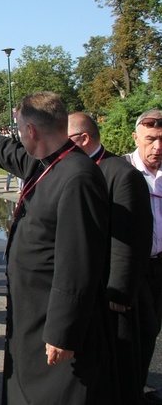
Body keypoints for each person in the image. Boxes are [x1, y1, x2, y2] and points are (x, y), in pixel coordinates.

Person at [0, 93, 114, 403]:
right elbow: (5, 152)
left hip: (53, 324)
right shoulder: (45, 162)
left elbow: (77, 263)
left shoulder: (77, 176)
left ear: (32, 131)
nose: (19, 135)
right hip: (32, 312)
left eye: (20, 128)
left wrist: (63, 331)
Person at [68, 112, 153, 403]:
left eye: (66, 140)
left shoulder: (119, 172)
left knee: (125, 353)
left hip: (116, 287)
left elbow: (131, 239)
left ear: (83, 139)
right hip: (93, 283)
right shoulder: (80, 168)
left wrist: (120, 288)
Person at [126, 110, 162, 403]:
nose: (157, 147)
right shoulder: (120, 169)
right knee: (133, 333)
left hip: (160, 264)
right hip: (132, 269)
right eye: (150, 139)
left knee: (152, 330)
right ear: (136, 138)